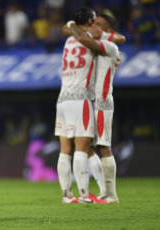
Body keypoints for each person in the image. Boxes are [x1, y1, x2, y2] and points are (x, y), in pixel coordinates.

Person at [55, 7, 108, 203]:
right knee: (82, 148)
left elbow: (67, 29)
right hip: (80, 99)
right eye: (94, 21)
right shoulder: (90, 41)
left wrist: (72, 27)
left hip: (62, 99)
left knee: (65, 149)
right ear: (89, 22)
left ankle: (67, 195)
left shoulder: (69, 41)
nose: (96, 24)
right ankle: (85, 193)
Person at [87, 14, 123, 203]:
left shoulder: (109, 46)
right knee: (85, 146)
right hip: (90, 102)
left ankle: (112, 194)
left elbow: (84, 38)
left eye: (98, 24)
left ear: (108, 32)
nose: (93, 26)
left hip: (102, 102)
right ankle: (103, 190)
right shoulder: (94, 45)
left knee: (104, 146)